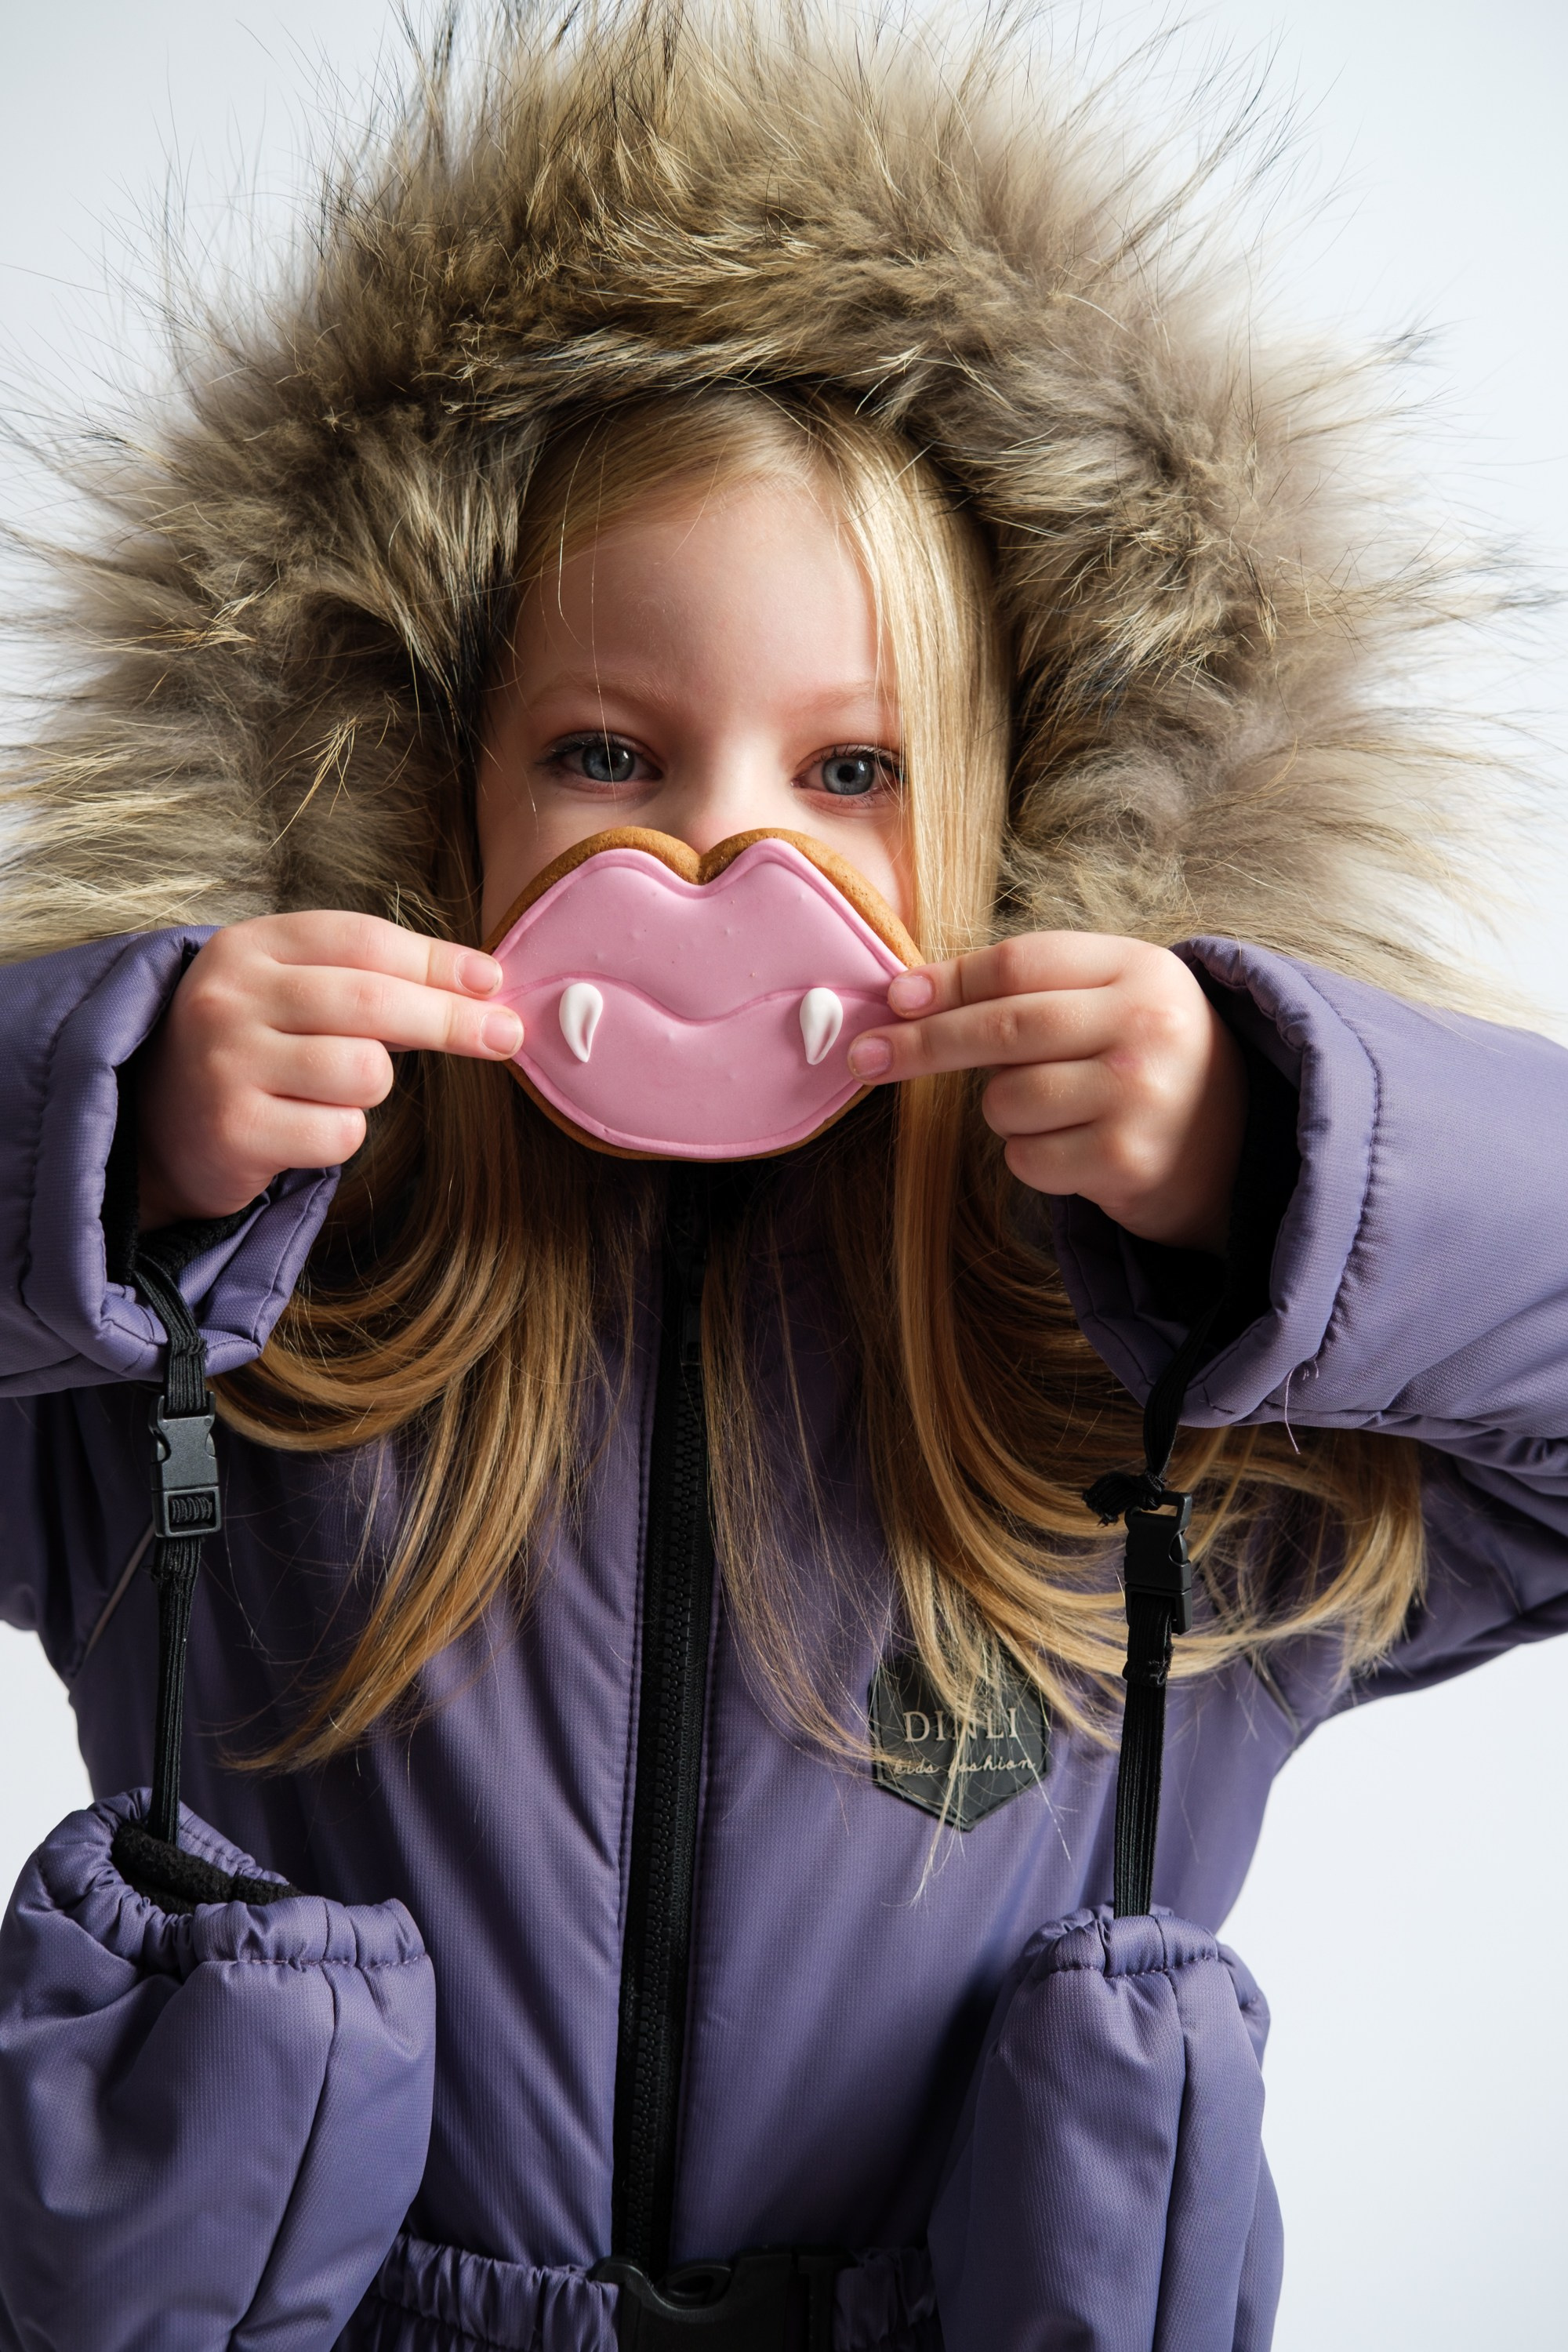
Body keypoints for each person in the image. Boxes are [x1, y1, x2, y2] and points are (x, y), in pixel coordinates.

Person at [2, 6, 1566, 2347]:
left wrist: (1296, 1165)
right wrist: (101, 1134)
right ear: (443, 797)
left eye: (849, 771)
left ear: (1013, 830)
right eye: (610, 748)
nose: (723, 849)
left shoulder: (1136, 1381)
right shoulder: (255, 1313)